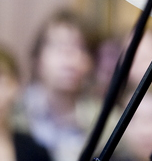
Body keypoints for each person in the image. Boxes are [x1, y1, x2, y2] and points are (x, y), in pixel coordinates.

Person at [13, 8, 99, 161]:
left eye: (80, 47)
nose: (69, 56)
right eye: (58, 46)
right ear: (37, 59)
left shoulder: (106, 121)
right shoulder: (12, 114)